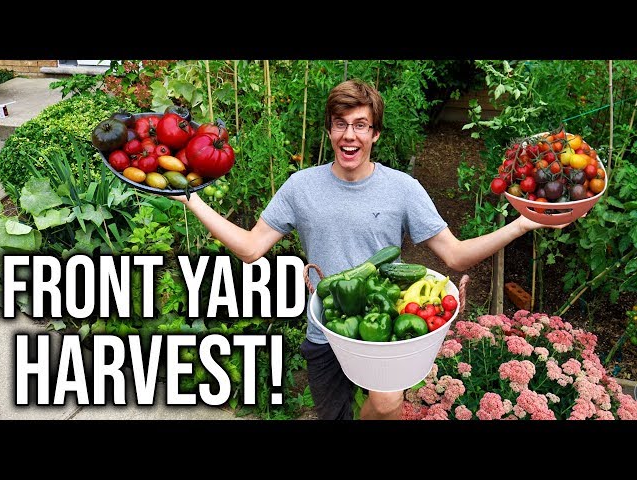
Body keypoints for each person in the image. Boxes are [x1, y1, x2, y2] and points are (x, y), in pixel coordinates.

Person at [171, 78, 569, 420]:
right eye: (341, 124)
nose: (350, 136)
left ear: (375, 133)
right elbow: (251, 247)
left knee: (386, 402)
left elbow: (454, 255)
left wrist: (521, 224)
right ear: (329, 130)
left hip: (382, 323)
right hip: (327, 327)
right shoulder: (300, 186)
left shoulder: (403, 188)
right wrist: (192, 199)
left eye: (361, 125)